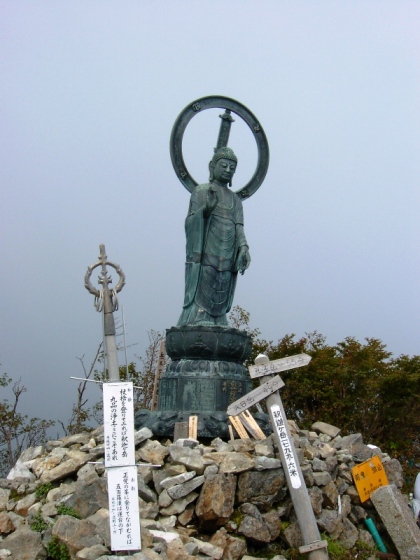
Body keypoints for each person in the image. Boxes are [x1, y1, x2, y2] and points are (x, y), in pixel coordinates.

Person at [177, 147, 250, 327]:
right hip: (206, 251)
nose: (228, 170)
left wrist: (244, 248)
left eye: (232, 168)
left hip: (228, 253)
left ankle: (219, 317)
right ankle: (199, 314)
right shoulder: (201, 191)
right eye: (224, 166)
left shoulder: (235, 200)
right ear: (212, 166)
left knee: (223, 280)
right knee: (206, 275)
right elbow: (190, 222)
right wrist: (205, 211)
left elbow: (239, 227)